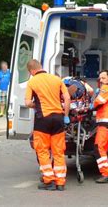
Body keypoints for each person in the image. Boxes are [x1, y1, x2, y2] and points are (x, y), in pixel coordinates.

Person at [25, 59, 70, 191]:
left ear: (32, 71)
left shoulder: (32, 81)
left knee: (43, 150)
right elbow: (67, 98)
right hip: (58, 118)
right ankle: (60, 182)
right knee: (58, 151)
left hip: (42, 119)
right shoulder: (56, 79)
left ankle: (48, 180)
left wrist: (36, 105)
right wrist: (66, 115)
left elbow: (28, 102)